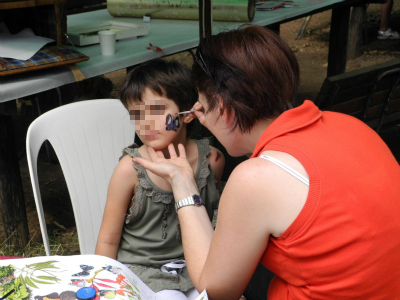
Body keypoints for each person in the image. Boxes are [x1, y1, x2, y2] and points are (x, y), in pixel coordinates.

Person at [132, 25, 400, 299]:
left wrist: (182, 182)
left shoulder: (255, 179)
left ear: (223, 108)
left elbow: (214, 291)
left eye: (201, 106)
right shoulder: (350, 124)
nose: (198, 115)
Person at [95, 59, 225, 299]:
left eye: (155, 111)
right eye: (136, 114)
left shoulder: (213, 161)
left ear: (187, 113)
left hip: (198, 266)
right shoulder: (129, 170)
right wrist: (105, 287)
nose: (144, 123)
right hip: (143, 273)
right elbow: (108, 239)